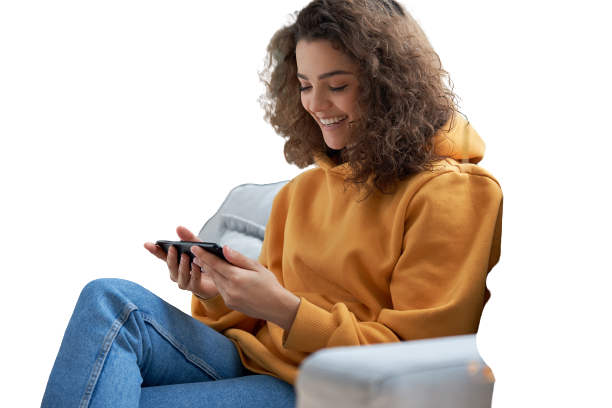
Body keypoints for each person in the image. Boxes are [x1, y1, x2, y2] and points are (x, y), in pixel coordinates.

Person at [42, 1, 503, 406]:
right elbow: (258, 314)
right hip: (256, 360)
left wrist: (286, 310)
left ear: (391, 85)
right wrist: (216, 293)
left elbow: (417, 361)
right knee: (108, 300)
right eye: (304, 84)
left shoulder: (453, 193)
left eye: (337, 85)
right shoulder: (301, 192)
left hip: (331, 390)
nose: (315, 104)